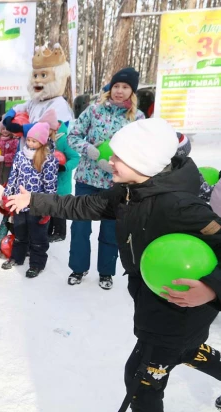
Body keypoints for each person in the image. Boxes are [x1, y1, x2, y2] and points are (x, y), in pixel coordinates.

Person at [5, 118, 221, 412]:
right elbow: (84, 205)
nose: (110, 160)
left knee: (139, 381)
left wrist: (211, 288)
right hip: (154, 298)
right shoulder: (131, 192)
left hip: (177, 312)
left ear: (143, 161)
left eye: (120, 156)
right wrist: (36, 199)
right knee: (187, 351)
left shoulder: (178, 206)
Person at [66, 67, 146, 290]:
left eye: (125, 87)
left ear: (132, 91)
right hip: (86, 180)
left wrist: (120, 166)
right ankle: (78, 268)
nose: (119, 91)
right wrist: (90, 150)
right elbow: (73, 136)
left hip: (116, 185)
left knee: (111, 230)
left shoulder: (137, 118)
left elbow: (141, 150)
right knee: (81, 228)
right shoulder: (94, 111)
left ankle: (106, 272)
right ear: (110, 88)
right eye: (116, 86)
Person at [0, 122, 58, 278]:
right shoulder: (20, 155)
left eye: (34, 141)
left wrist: (48, 207)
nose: (30, 143)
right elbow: (13, 176)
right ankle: (17, 257)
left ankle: (37, 263)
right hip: (19, 202)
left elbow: (50, 185)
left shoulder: (48, 159)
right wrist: (7, 195)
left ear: (43, 142)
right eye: (29, 139)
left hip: (37, 205)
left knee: (38, 235)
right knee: (20, 233)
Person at [35, 109, 80, 243]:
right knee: (50, 206)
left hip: (61, 181)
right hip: (48, 180)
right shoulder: (45, 139)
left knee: (59, 207)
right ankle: (49, 230)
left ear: (53, 128)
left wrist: (64, 167)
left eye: (46, 128)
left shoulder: (65, 140)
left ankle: (60, 232)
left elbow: (75, 157)